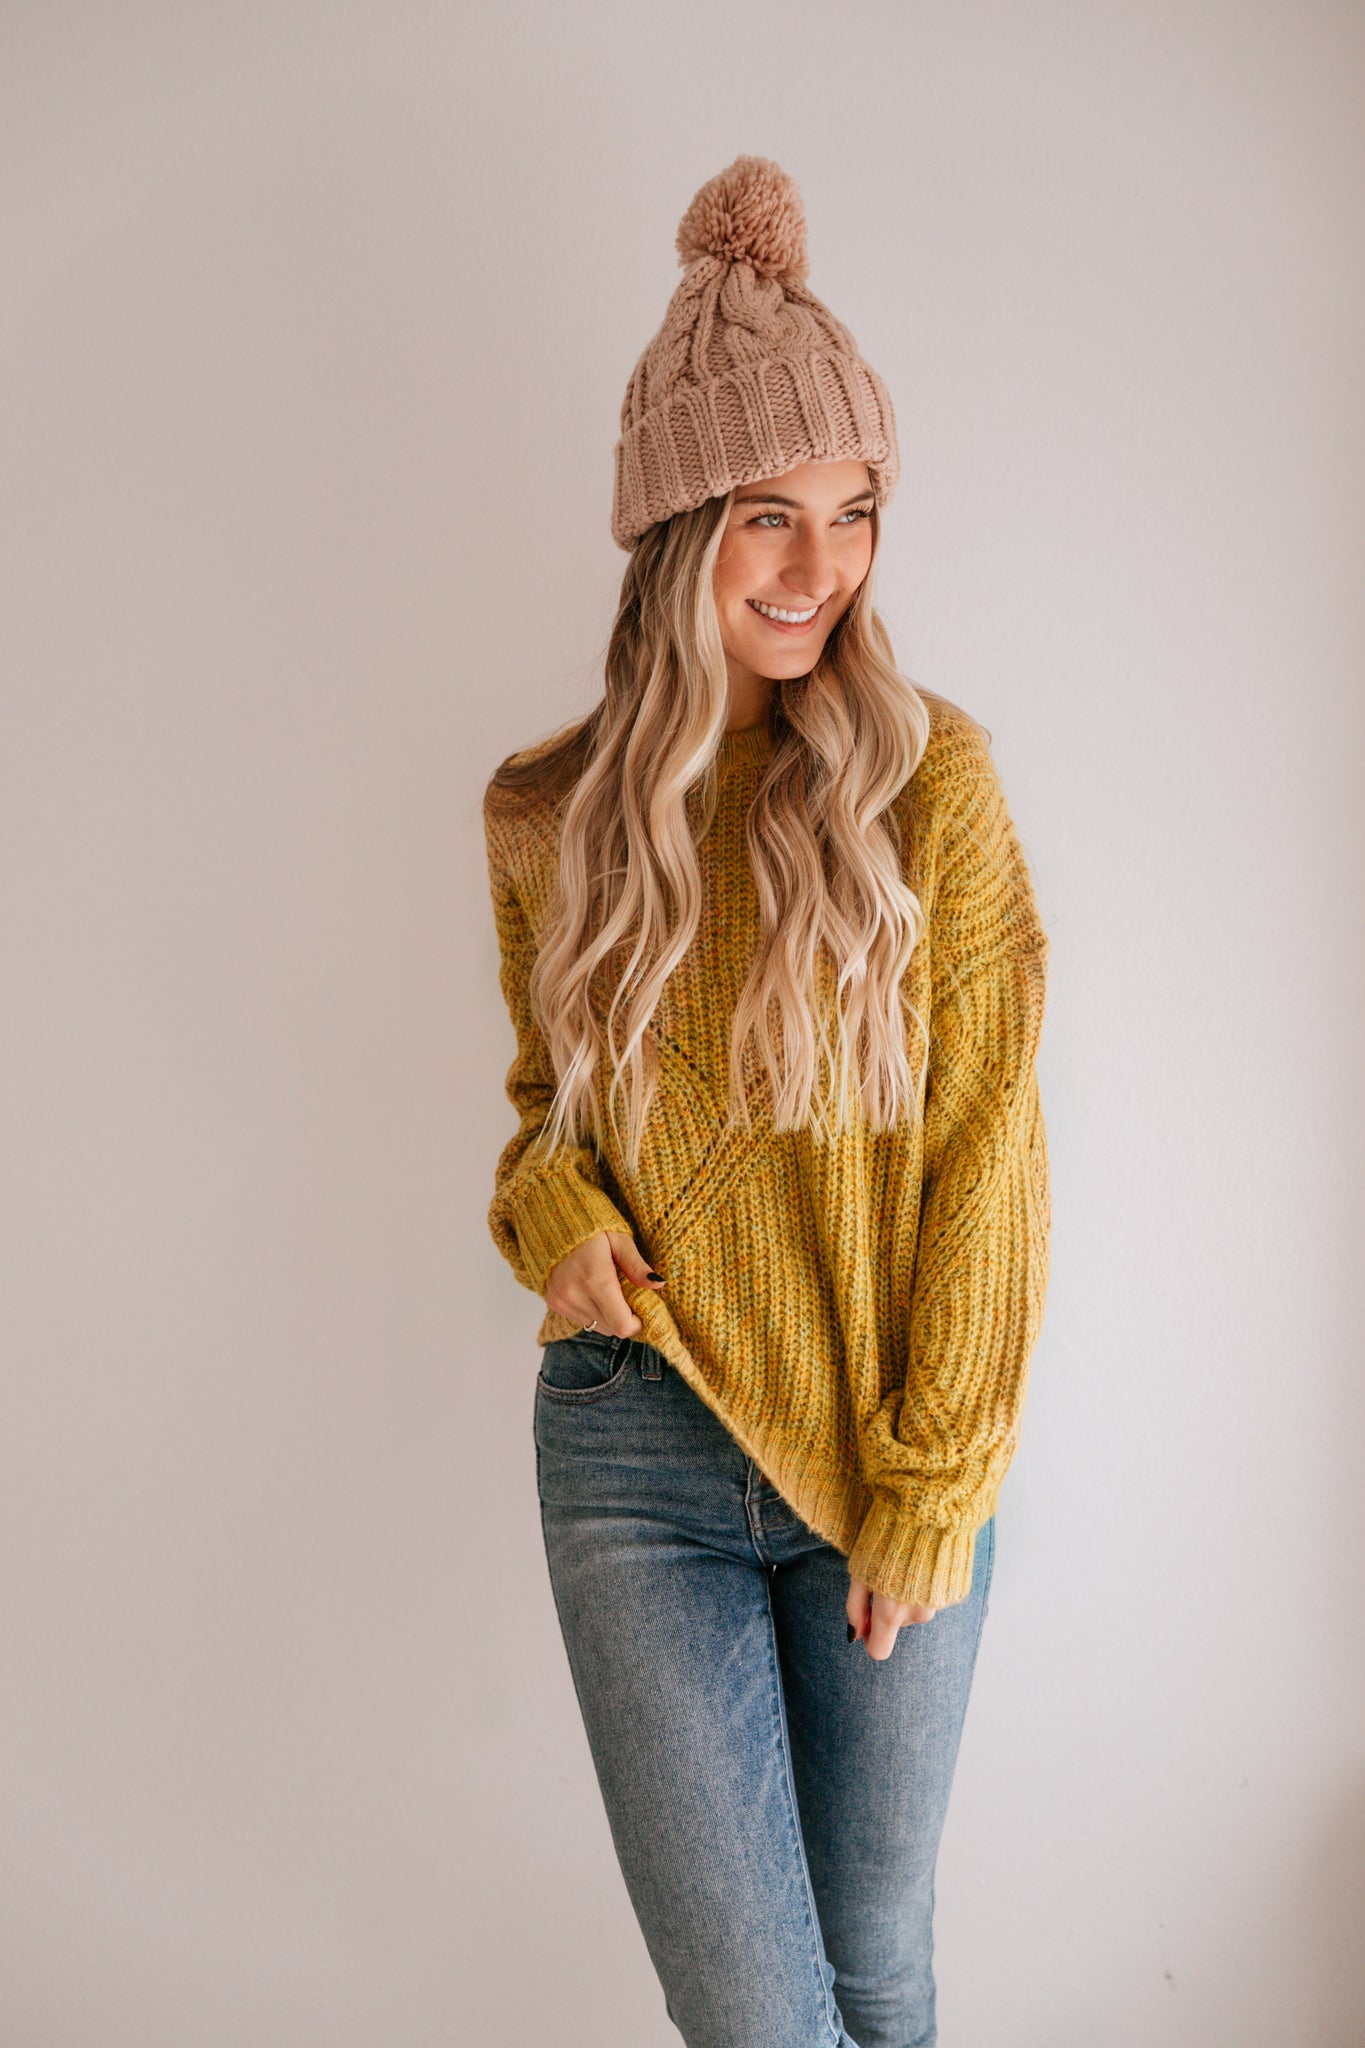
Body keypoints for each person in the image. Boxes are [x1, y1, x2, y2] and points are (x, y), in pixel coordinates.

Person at [481, 154, 1051, 2048]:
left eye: (854, 511)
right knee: (753, 2014)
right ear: (672, 531)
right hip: (631, 1447)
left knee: (874, 1971)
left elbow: (986, 1149)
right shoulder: (545, 817)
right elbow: (544, 1114)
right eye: (767, 518)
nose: (821, 568)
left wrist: (933, 1484)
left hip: (881, 1440)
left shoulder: (930, 788)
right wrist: (554, 1219)